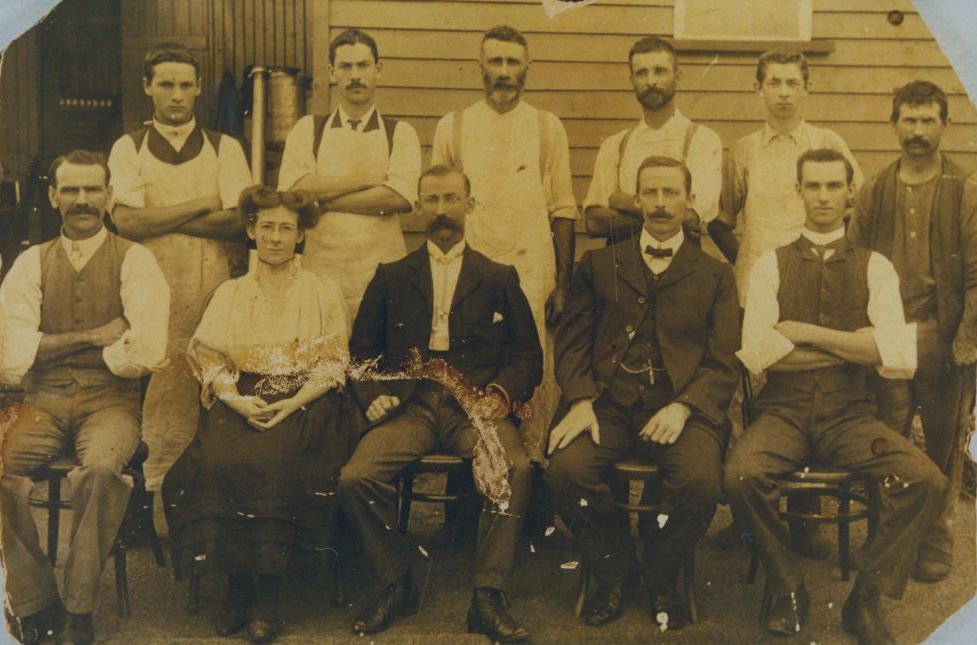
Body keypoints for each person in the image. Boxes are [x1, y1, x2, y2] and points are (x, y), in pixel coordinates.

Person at [725, 148, 946, 643]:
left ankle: (866, 598)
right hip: (783, 413)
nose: (823, 196)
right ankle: (788, 586)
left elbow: (894, 355)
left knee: (923, 479)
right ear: (799, 191)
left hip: (852, 419)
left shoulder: (876, 267)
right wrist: (856, 347)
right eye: (813, 186)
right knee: (740, 475)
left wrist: (804, 332)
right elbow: (762, 356)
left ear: (850, 194)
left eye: (833, 186)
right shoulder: (770, 265)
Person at [337, 165, 542, 642]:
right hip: (412, 404)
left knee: (514, 468)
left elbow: (527, 355)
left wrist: (499, 394)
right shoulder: (391, 276)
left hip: (474, 405)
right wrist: (373, 392)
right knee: (356, 477)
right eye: (432, 200)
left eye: (452, 199)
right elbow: (360, 354)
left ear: (470, 206)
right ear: (418, 206)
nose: (442, 210)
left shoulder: (497, 276)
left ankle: (488, 596)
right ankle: (396, 581)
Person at [547, 156, 739, 629]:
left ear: (689, 202)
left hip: (682, 409)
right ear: (636, 201)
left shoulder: (715, 275)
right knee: (568, 471)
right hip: (607, 405)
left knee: (699, 483)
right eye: (650, 193)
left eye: (670, 193)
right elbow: (571, 343)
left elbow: (723, 360)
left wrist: (685, 406)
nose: (659, 204)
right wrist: (580, 400)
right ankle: (615, 570)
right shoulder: (598, 264)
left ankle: (661, 574)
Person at [162, 186, 353, 643]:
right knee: (216, 460)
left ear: (301, 235)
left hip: (307, 398)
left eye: (286, 228)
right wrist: (235, 400)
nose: (275, 237)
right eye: (266, 227)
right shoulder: (231, 292)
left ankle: (268, 593)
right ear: (251, 231)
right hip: (241, 393)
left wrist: (294, 401)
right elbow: (208, 355)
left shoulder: (322, 291)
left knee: (276, 461)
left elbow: (333, 361)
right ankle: (236, 586)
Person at [0, 150, 169, 645]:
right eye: (70, 190)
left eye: (92, 190)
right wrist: (97, 336)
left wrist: (44, 347)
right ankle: (35, 600)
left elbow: (147, 350)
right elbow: (9, 353)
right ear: (53, 197)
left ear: (109, 196)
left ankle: (78, 606)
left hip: (110, 403)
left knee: (99, 473)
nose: (82, 201)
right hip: (41, 402)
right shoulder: (30, 262)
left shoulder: (136, 260)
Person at [107, 42, 252, 491]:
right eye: (166, 84)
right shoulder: (128, 147)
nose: (176, 94)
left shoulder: (224, 147)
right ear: (147, 88)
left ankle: (200, 498)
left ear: (199, 89)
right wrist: (201, 203)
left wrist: (161, 216)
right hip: (147, 290)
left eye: (185, 85)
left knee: (205, 381)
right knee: (150, 384)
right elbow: (127, 220)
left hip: (208, 289)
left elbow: (236, 220)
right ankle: (145, 496)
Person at [849, 80, 977, 584]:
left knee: (944, 443)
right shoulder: (876, 188)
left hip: (942, 335)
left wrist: (966, 340)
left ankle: (936, 539)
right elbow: (853, 262)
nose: (918, 131)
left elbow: (976, 273)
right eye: (909, 119)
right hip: (887, 334)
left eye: (928, 120)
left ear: (945, 125)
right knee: (887, 438)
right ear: (894, 123)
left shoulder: (964, 189)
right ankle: (890, 537)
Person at [431, 24, 576, 458]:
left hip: (531, 273)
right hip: (469, 274)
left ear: (527, 67)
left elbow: (564, 209)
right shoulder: (453, 127)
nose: (504, 72)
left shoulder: (547, 128)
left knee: (530, 378)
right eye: (496, 61)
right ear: (480, 67)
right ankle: (468, 489)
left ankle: (530, 478)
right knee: (469, 373)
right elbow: (440, 210)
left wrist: (562, 284)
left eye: (513, 62)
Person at [277, 27, 421, 319]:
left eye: (363, 65)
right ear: (332, 72)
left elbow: (397, 198)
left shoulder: (401, 133)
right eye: (346, 66)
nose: (355, 75)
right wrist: (364, 180)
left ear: (378, 70)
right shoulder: (308, 129)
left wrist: (323, 203)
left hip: (384, 273)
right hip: (322, 273)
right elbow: (295, 191)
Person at [713, 49, 862, 303]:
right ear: (758, 88)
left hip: (816, 279)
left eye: (792, 83)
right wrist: (747, 261)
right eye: (774, 83)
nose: (783, 93)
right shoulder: (743, 150)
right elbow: (720, 222)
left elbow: (860, 209)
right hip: (757, 284)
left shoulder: (827, 142)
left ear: (806, 88)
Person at [582, 37, 722, 248]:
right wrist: (667, 212)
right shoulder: (615, 145)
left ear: (677, 76)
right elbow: (594, 222)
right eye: (641, 73)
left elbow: (692, 217)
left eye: (659, 71)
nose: (650, 81)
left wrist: (621, 201)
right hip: (623, 268)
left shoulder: (702, 140)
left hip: (681, 268)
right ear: (632, 80)